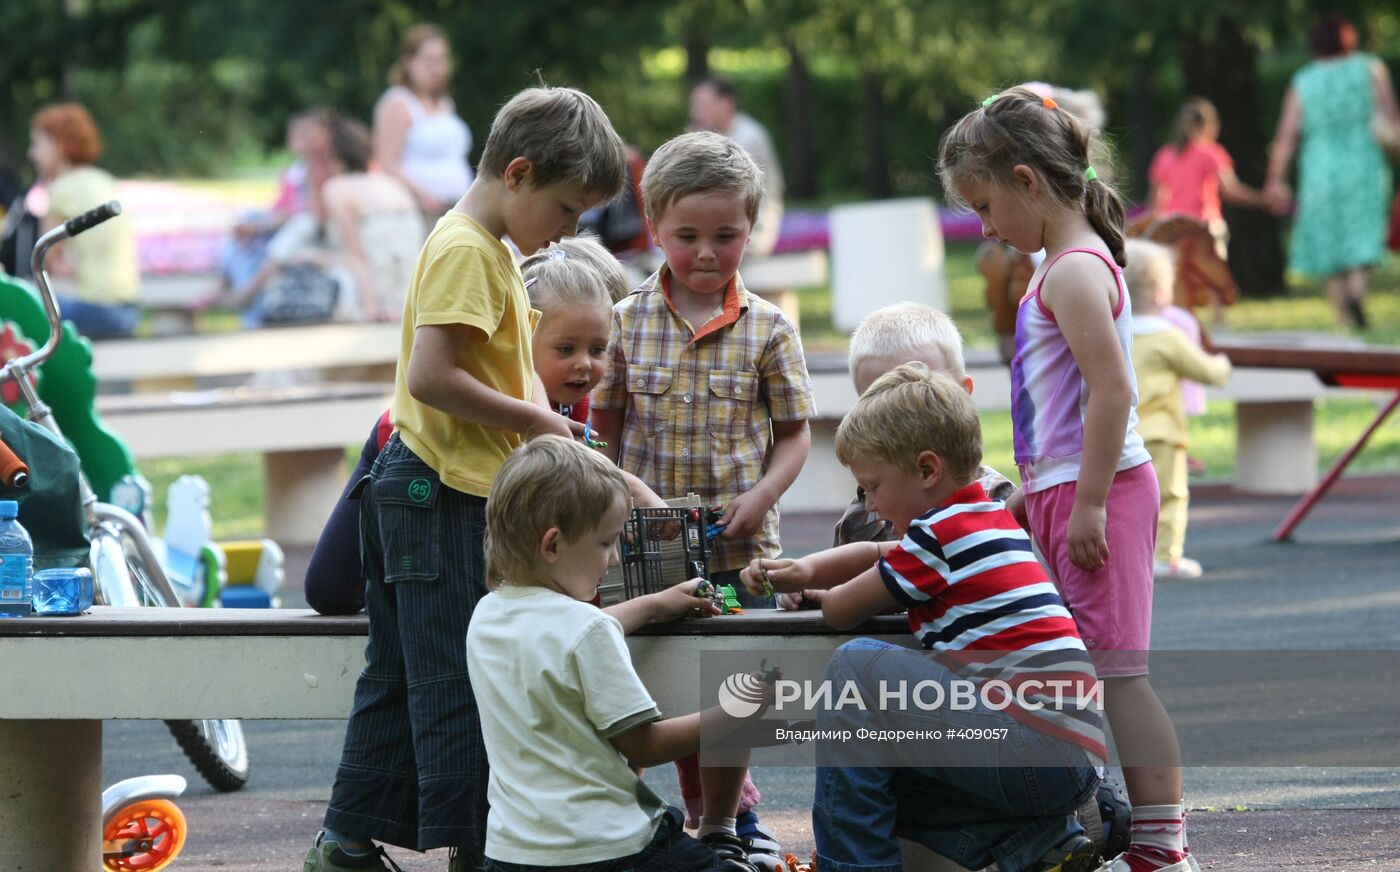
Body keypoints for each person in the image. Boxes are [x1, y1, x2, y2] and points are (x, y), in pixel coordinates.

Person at [304, 85, 628, 872]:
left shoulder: (489, 251)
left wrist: (550, 430)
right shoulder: (467, 251)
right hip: (437, 493)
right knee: (461, 677)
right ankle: (477, 847)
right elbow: (431, 378)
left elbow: (486, 371)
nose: (569, 231)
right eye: (566, 209)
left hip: (435, 488)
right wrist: (540, 422)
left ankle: (345, 843)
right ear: (518, 173)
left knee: (400, 672)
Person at [939, 86, 1196, 872]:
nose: (986, 229)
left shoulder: (1075, 271)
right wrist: (1039, 488)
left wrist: (1084, 503)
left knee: (1118, 675)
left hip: (1101, 493)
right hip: (1065, 489)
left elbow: (1113, 391)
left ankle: (1164, 845)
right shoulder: (1061, 265)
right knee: (1069, 667)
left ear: (1027, 181)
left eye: (986, 207)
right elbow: (1058, 402)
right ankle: (1082, 823)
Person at [738, 364, 1108, 872]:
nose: (869, 502)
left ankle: (852, 866)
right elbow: (882, 549)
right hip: (1067, 755)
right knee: (880, 774)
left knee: (854, 668)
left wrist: (820, 593)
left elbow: (845, 610)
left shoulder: (937, 538)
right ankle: (1037, 844)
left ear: (927, 470)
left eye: (872, 486)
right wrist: (805, 570)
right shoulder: (986, 519)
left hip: (1029, 741)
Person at [590, 130, 815, 867]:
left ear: (752, 228)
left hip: (741, 550)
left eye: (728, 235)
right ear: (653, 225)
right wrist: (619, 507)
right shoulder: (622, 324)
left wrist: (764, 493)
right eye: (687, 236)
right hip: (644, 553)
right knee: (646, 680)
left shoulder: (771, 329)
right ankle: (627, 820)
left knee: (733, 685)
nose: (708, 253)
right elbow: (604, 438)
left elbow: (794, 437)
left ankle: (721, 820)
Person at [468, 434, 767, 872]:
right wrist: (735, 714)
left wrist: (655, 603)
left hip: (513, 852)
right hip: (609, 849)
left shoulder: (487, 616)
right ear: (552, 545)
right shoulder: (586, 631)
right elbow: (644, 747)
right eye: (606, 543)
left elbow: (563, 631)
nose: (611, 561)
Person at [303, 233, 645, 616]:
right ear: (524, 331)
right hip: (409, 455)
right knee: (330, 591)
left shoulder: (576, 401)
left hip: (480, 489)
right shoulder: (505, 389)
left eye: (598, 346)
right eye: (567, 346)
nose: (586, 363)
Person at [1264, 14, 1400, 329]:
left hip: (1319, 168)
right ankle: (1357, 295)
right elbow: (1391, 119)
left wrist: (1275, 180)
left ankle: (1342, 317)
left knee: (1329, 241)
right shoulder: (1371, 68)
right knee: (1363, 236)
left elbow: (1286, 137)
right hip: (1364, 163)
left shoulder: (1304, 79)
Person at [1124, 240, 1232, 581]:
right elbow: (1205, 371)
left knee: (1128, 501)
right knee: (1170, 496)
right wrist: (1222, 364)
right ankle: (1166, 558)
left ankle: (1130, 555)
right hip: (1164, 435)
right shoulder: (1167, 336)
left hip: (1125, 434)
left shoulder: (1119, 332)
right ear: (1159, 293)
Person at [26, 103, 139, 340]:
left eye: (37, 144)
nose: (31, 154)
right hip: (129, 310)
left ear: (57, 145)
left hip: (99, 311)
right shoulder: (104, 180)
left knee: (20, 307)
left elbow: (45, 260)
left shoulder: (62, 188)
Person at [215, 108, 333, 300]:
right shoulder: (294, 172)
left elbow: (312, 212)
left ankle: (250, 290)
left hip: (313, 227)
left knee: (299, 225)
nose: (303, 139)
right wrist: (259, 224)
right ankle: (223, 282)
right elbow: (281, 207)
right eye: (296, 134)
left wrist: (262, 226)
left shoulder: (326, 168)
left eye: (308, 133)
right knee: (247, 217)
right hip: (285, 222)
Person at [1148, 97, 1271, 258]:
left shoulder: (1165, 154)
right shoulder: (1211, 152)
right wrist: (1262, 199)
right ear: (1209, 125)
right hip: (1204, 226)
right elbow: (1231, 191)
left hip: (1174, 228)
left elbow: (1156, 200)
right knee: (1210, 279)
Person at [374, 23, 473, 219]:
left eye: (442, 59)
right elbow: (386, 161)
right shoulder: (398, 102)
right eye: (429, 60)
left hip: (458, 205)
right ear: (409, 62)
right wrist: (422, 194)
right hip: (420, 209)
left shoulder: (445, 103)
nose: (437, 68)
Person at [689, 76, 785, 256]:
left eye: (703, 104)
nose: (696, 112)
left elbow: (717, 191)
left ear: (726, 104)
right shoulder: (705, 133)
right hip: (720, 225)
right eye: (695, 105)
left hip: (753, 227)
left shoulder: (748, 137)